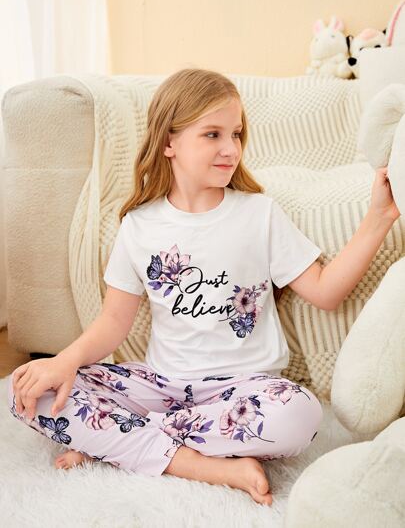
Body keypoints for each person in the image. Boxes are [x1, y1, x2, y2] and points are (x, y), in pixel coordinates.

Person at [7, 68, 400, 508]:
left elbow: (326, 291)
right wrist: (61, 363)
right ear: (168, 142)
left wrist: (379, 217)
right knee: (27, 392)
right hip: (160, 388)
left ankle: (119, 443)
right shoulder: (139, 225)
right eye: (212, 134)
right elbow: (114, 322)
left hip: (244, 391)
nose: (231, 148)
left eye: (236, 134)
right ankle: (200, 464)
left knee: (300, 414)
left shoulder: (259, 214)